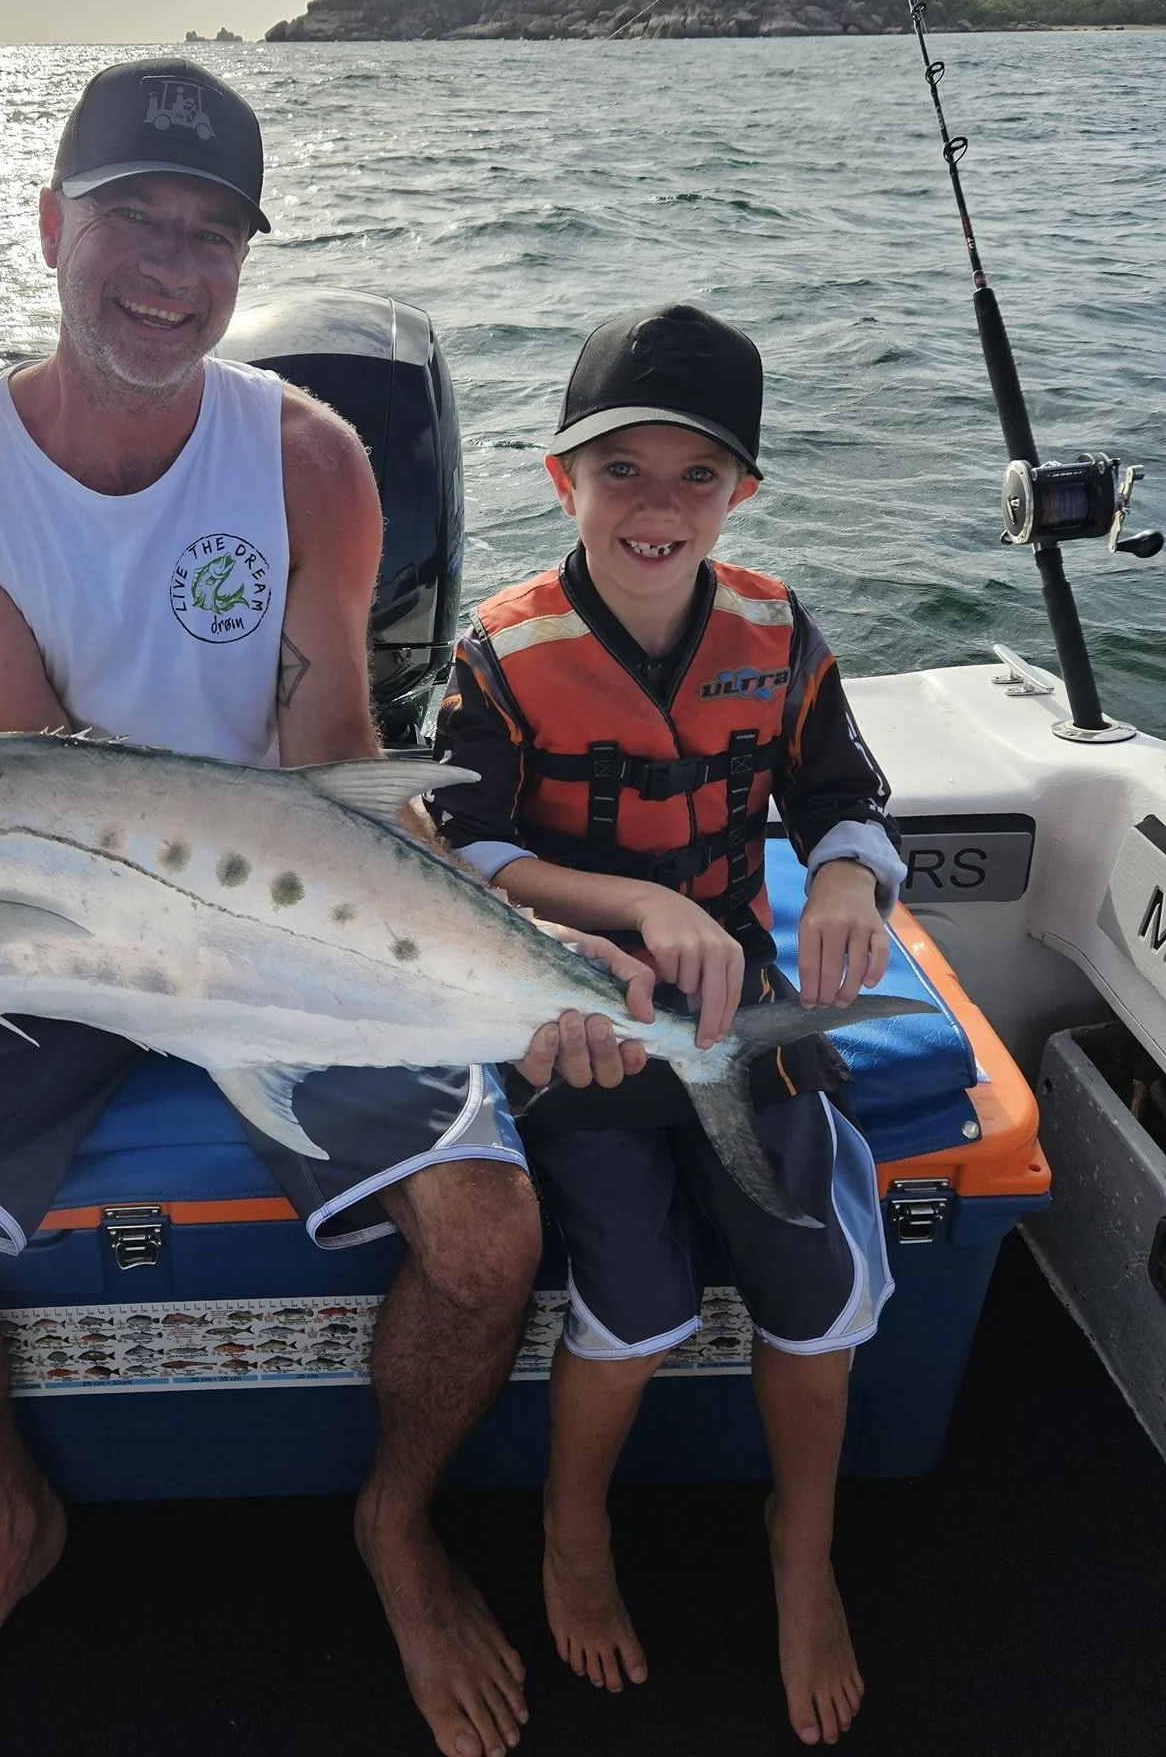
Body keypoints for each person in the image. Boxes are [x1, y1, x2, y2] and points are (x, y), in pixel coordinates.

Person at [0, 58, 656, 1757]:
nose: (168, 268)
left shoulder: (308, 455)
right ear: (47, 227)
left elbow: (331, 757)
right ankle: (8, 1526)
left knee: (489, 1237)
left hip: (281, 920)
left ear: (242, 265)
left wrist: (509, 945)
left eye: (209, 232)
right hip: (52, 927)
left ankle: (394, 1523)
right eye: (129, 220)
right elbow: (5, 780)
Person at [427, 303, 906, 1750]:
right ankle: (574, 1540)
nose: (655, 505)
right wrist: (634, 899)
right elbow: (468, 852)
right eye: (618, 468)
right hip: (571, 1019)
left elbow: (844, 801)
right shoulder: (494, 654)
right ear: (558, 477)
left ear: (740, 493)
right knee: (626, 1309)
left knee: (816, 1298)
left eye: (694, 475)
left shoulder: (778, 629)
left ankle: (799, 1551)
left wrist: (837, 880)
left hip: (743, 1017)